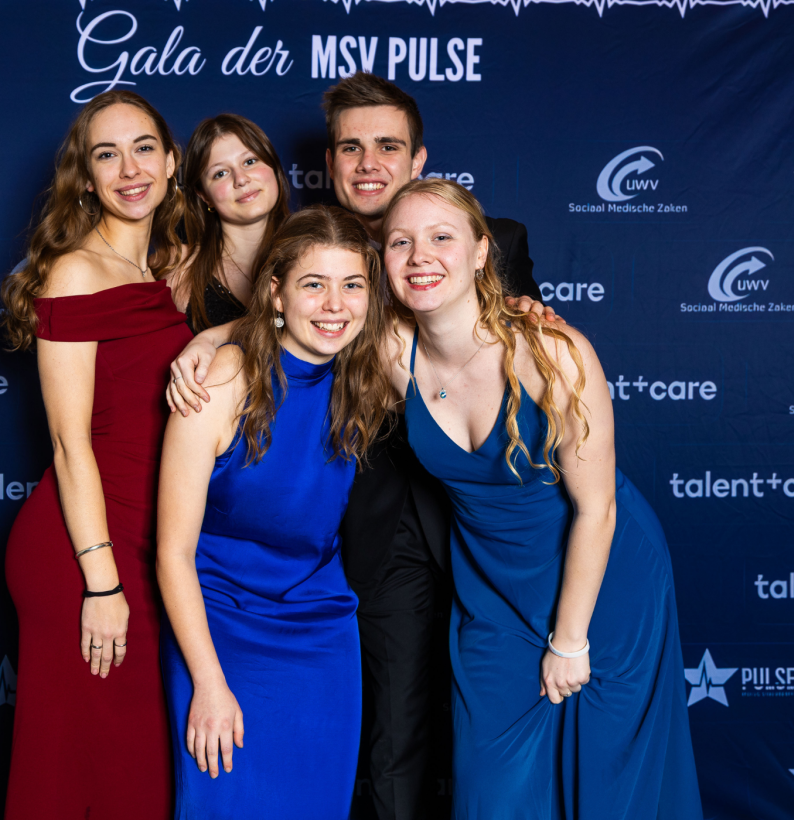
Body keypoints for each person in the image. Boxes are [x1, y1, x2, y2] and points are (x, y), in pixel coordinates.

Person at [167, 72, 555, 820]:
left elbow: (522, 348)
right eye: (351, 148)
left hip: (487, 526)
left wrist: (530, 313)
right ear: (331, 162)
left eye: (388, 146)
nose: (369, 162)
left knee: (501, 733)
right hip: (363, 538)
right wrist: (211, 339)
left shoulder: (490, 239)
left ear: (419, 159)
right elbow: (281, 305)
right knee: (385, 745)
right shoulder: (317, 245)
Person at [381, 178, 702, 819]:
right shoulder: (389, 348)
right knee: (491, 791)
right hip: (493, 595)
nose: (420, 257)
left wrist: (571, 639)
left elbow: (597, 509)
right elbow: (291, 315)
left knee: (610, 789)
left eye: (441, 237)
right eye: (400, 242)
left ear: (481, 252)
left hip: (604, 580)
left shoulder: (552, 351)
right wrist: (205, 345)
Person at [156, 206, 394, 819]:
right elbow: (172, 553)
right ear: (276, 292)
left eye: (352, 285)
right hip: (219, 628)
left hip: (321, 631)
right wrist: (208, 682)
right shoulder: (222, 381)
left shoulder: (369, 374)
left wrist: (525, 310)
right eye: (314, 284)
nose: (335, 304)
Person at [0, 90, 191, 819]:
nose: (129, 169)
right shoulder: (75, 272)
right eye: (106, 155)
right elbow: (68, 442)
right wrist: (102, 585)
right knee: (78, 775)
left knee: (126, 771)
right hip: (83, 551)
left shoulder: (160, 271)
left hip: (144, 540)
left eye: (144, 149)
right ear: (85, 178)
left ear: (171, 162)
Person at [167, 113, 290, 332]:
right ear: (204, 195)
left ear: (273, 165)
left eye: (250, 162)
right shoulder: (179, 267)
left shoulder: (313, 254)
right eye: (221, 173)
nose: (241, 179)